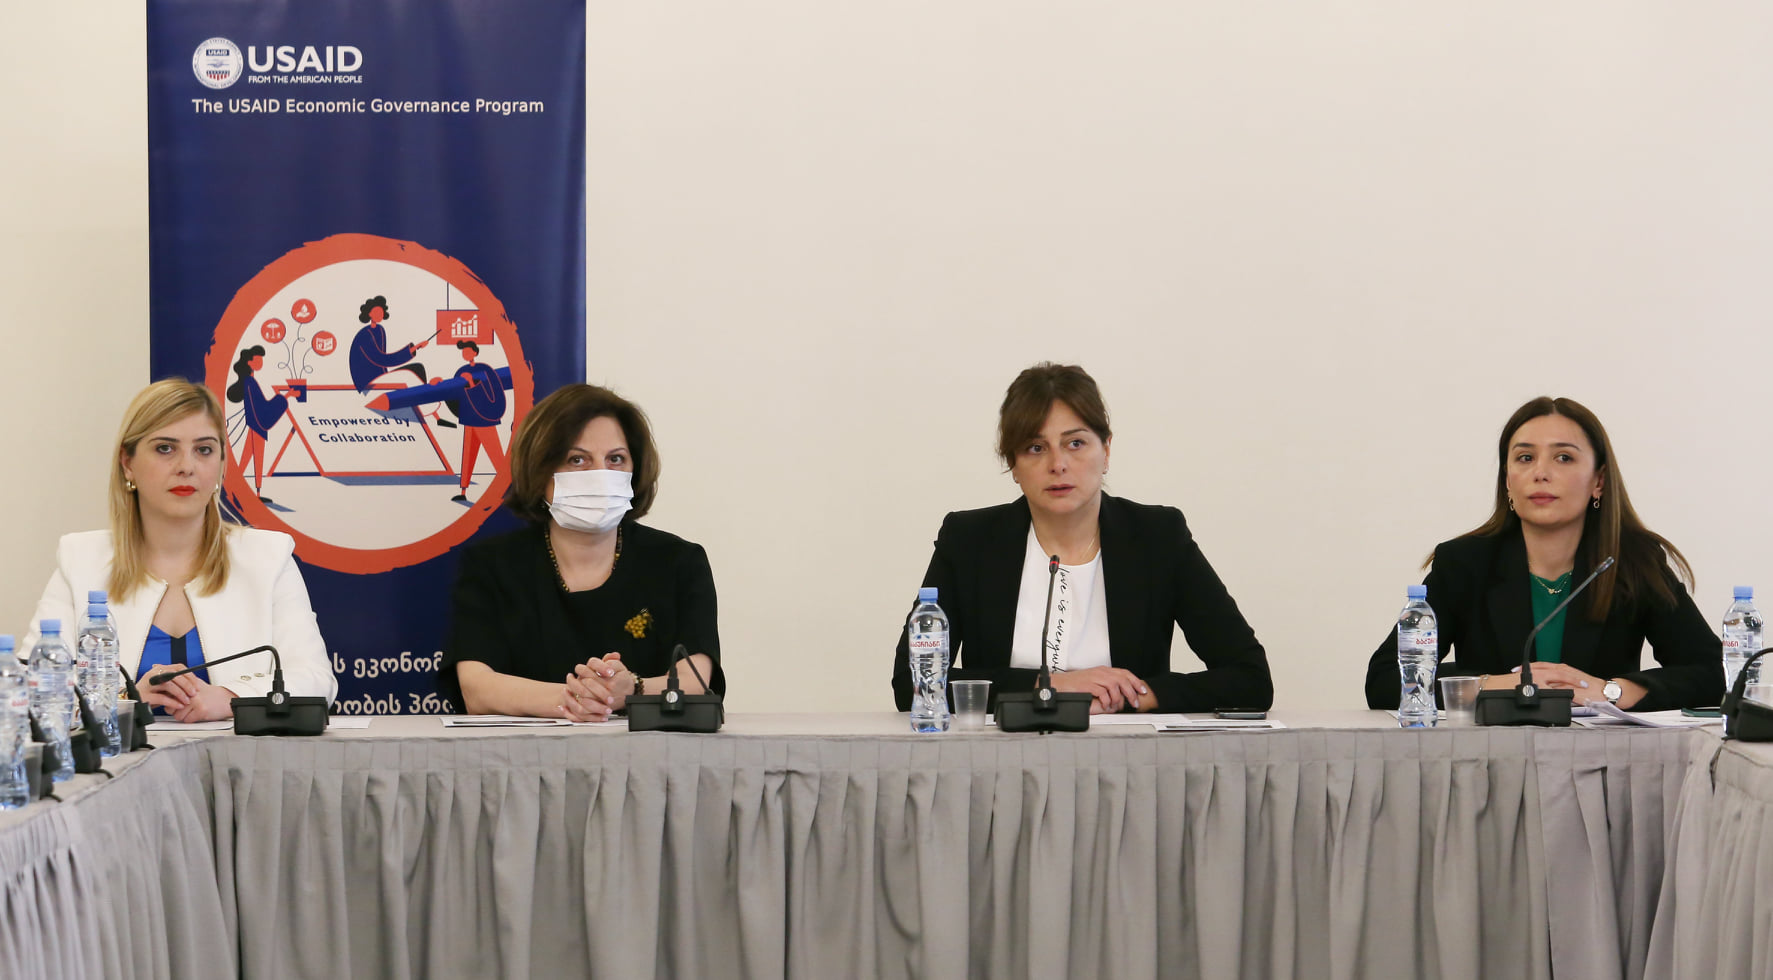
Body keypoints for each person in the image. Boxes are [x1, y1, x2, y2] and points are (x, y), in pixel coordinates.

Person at [890, 363, 1272, 714]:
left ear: (1106, 451)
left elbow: (1250, 678)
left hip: (1127, 757)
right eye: (1035, 448)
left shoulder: (1157, 538)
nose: (1058, 464)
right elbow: (912, 683)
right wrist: (1049, 686)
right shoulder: (969, 541)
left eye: (1075, 443)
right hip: (1003, 755)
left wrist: (1129, 695)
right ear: (1013, 466)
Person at [1363, 396, 1722, 712]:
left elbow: (1713, 672)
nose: (1541, 473)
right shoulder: (1464, 563)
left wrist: (1609, 691)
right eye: (1525, 458)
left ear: (1598, 481)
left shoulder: (1633, 562)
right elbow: (1385, 680)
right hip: (1490, 758)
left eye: (1563, 457)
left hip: (1603, 757)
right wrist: (1493, 685)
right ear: (1508, 480)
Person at [26, 379, 337, 721]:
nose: (187, 466)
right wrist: (125, 698)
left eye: (204, 450)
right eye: (165, 448)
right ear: (127, 463)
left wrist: (231, 697)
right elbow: (31, 688)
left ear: (221, 463)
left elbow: (317, 680)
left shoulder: (267, 557)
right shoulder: (81, 560)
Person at [441, 383, 721, 719]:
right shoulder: (491, 565)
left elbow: (695, 682)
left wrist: (631, 690)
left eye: (615, 459)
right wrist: (574, 699)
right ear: (540, 470)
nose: (600, 475)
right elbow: (476, 688)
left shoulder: (679, 562)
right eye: (577, 459)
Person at [225, 345, 289, 503]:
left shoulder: (249, 381)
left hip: (254, 423)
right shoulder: (250, 382)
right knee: (256, 459)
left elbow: (260, 405)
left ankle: (236, 488)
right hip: (257, 425)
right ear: (250, 362)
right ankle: (255, 493)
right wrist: (284, 397)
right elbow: (262, 407)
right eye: (258, 360)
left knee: (247, 458)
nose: (261, 362)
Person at [449, 340, 508, 503]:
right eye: (464, 352)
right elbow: (454, 394)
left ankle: (509, 489)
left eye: (468, 351)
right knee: (467, 458)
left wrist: (471, 383)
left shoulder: (486, 369)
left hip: (484, 420)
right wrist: (439, 384)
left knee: (496, 457)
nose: (466, 354)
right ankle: (463, 491)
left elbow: (495, 393)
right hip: (469, 419)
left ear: (475, 352)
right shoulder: (461, 371)